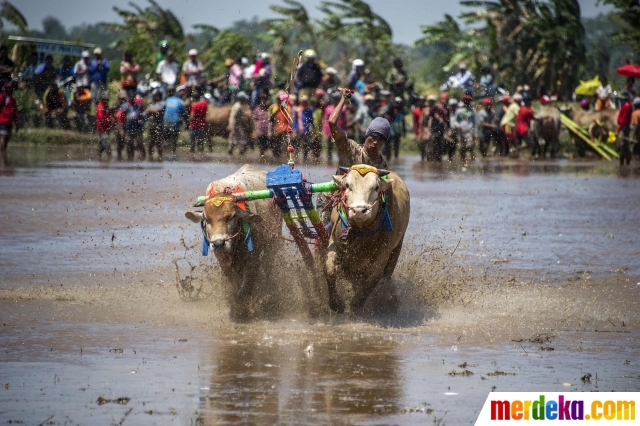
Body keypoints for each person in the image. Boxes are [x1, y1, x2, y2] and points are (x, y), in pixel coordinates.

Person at [318, 87, 389, 224]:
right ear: (367, 136)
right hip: (337, 196)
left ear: (384, 142)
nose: (375, 142)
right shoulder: (350, 148)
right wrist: (344, 99)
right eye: (373, 137)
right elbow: (332, 123)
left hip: (362, 204)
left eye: (380, 139)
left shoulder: (381, 164)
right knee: (323, 229)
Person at [120, 93, 146, 160]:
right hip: (128, 128)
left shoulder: (138, 106)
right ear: (128, 98)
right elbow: (121, 118)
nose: (132, 99)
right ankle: (130, 159)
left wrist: (142, 123)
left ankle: (144, 158)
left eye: (133, 97)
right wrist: (122, 129)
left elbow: (142, 116)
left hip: (137, 127)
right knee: (129, 143)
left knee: (140, 143)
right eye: (130, 97)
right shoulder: (125, 106)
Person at [323, 91, 347, 161]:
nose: (335, 100)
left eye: (337, 98)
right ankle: (329, 161)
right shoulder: (328, 109)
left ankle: (341, 161)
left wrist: (345, 129)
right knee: (329, 148)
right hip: (330, 131)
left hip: (340, 130)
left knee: (340, 147)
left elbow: (344, 120)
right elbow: (326, 120)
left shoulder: (343, 109)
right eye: (334, 98)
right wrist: (325, 131)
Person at [452, 94, 477, 160]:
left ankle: (472, 161)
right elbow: (455, 121)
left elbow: (475, 122)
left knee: (470, 146)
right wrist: (458, 126)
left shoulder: (472, 110)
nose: (467, 102)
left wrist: (475, 133)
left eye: (468, 100)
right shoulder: (459, 111)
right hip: (460, 132)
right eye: (466, 100)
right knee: (461, 147)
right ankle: (463, 161)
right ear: (463, 101)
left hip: (470, 131)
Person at [163, 86, 185, 154]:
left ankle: (166, 153)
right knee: (174, 140)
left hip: (166, 121)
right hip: (175, 122)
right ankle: (172, 153)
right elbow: (184, 113)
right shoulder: (180, 101)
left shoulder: (167, 100)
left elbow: (162, 110)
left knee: (166, 139)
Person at [268, 91, 291, 158]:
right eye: (278, 98)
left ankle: (285, 159)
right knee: (276, 146)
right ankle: (276, 159)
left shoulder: (287, 108)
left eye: (281, 98)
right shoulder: (273, 107)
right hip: (276, 130)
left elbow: (290, 120)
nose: (279, 100)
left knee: (286, 147)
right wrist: (270, 131)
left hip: (286, 129)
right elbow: (270, 120)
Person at [143, 90, 165, 159]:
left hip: (159, 126)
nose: (154, 97)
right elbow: (145, 112)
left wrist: (150, 110)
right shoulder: (152, 104)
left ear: (159, 96)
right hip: (151, 126)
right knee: (150, 142)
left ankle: (160, 157)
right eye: (154, 96)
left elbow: (157, 110)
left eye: (156, 96)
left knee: (159, 143)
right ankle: (149, 157)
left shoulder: (162, 103)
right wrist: (149, 110)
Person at [295, 95, 318, 160]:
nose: (304, 103)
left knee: (306, 144)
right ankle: (296, 157)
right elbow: (295, 121)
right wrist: (294, 129)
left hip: (307, 130)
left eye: (305, 102)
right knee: (297, 144)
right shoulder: (298, 110)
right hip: (298, 129)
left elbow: (311, 120)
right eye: (303, 102)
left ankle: (305, 158)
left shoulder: (309, 110)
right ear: (300, 102)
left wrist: (313, 129)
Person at [0, 82, 18, 158]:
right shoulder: (1, 97)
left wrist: (17, 123)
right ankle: (2, 154)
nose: (11, 90)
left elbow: (14, 113)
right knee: (4, 137)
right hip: (2, 121)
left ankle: (3, 152)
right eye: (9, 88)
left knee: (7, 138)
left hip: (9, 122)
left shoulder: (13, 100)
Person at [95, 92, 115, 158]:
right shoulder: (100, 106)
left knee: (100, 146)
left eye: (107, 99)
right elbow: (101, 118)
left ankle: (98, 159)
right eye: (104, 99)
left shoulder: (106, 106)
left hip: (106, 128)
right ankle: (110, 159)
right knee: (107, 145)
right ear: (101, 99)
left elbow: (108, 115)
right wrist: (110, 119)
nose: (106, 101)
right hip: (102, 129)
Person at [617, 92, 633, 166]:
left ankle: (624, 163)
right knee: (623, 145)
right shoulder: (625, 105)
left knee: (623, 145)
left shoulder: (627, 106)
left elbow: (624, 119)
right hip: (623, 126)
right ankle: (624, 163)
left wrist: (619, 129)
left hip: (624, 127)